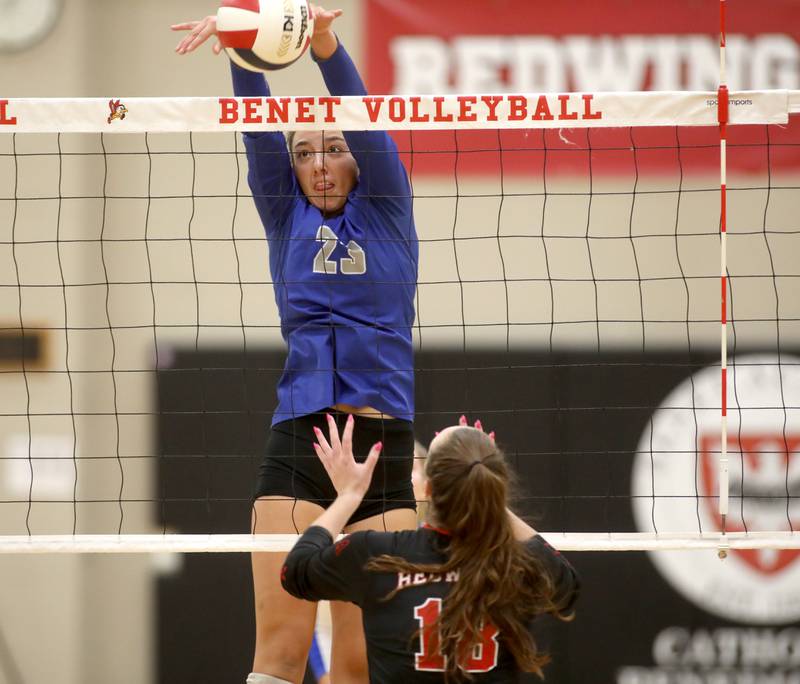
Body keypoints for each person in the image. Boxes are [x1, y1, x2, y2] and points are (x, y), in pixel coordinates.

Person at [172, 7, 419, 684]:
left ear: (358, 159)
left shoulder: (389, 206)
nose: (318, 164)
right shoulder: (285, 214)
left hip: (382, 449)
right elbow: (257, 127)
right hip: (300, 447)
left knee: (362, 662)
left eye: (333, 148)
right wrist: (239, 42)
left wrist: (326, 45)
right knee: (280, 655)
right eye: (304, 151)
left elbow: (362, 117)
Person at [282, 415, 580, 682]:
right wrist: (486, 485)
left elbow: (294, 572)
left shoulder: (376, 555)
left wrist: (349, 496)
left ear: (428, 490)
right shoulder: (513, 565)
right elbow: (567, 588)